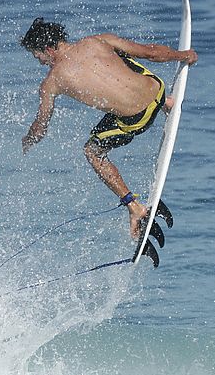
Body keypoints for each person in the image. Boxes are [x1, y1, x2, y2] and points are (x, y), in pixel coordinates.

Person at [20, 17, 197, 238]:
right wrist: (185, 56)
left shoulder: (51, 82)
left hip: (139, 118)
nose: (40, 63)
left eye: (39, 57)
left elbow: (41, 126)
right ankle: (166, 103)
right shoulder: (98, 41)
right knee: (120, 56)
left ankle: (134, 207)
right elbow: (149, 53)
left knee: (92, 151)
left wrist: (28, 140)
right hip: (157, 89)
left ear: (48, 48)